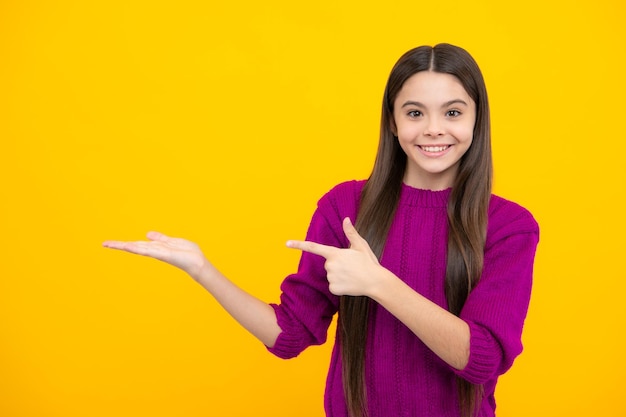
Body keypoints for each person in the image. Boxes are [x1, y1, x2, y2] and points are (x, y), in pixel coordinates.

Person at [103, 43, 539, 417]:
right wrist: (203, 270)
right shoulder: (345, 207)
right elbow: (289, 334)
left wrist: (378, 283)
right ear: (392, 121)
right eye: (414, 112)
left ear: (477, 120)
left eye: (453, 112)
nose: (432, 129)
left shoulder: (509, 227)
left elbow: (481, 359)